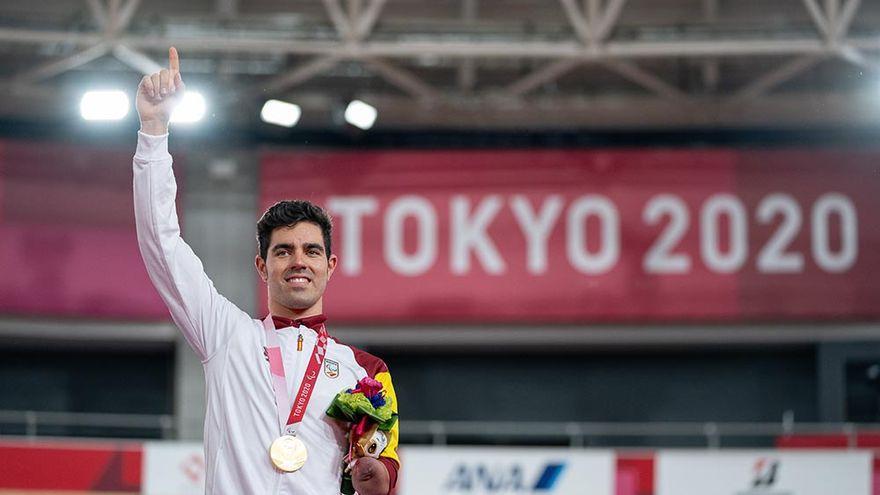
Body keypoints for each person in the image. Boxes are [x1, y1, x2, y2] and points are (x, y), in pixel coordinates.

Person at [133, 47, 400, 495]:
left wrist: (379, 478)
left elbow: (383, 460)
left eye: (312, 251)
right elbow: (162, 244)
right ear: (262, 265)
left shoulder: (366, 372)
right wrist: (154, 131)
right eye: (284, 251)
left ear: (330, 266)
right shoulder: (225, 335)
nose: (299, 261)